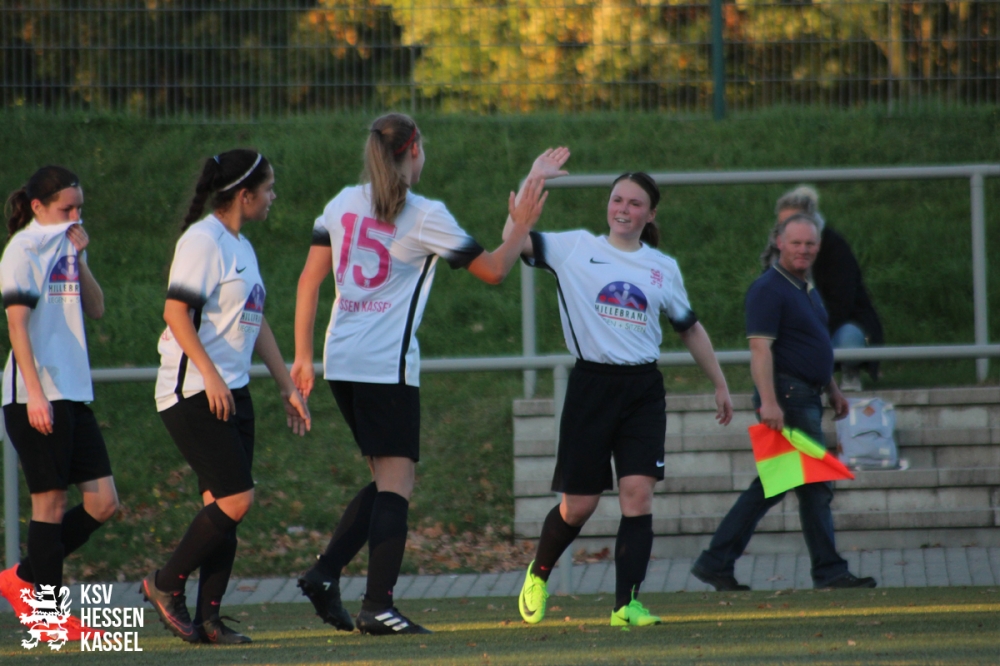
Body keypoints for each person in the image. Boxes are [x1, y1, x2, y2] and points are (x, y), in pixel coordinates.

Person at [291, 112, 549, 636]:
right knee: (397, 486)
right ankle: (377, 606)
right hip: (385, 364)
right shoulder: (424, 214)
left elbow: (308, 280)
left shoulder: (342, 202)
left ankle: (325, 574)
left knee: (388, 479)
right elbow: (495, 270)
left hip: (341, 361)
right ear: (413, 150)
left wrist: (302, 356)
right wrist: (521, 223)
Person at [510, 156, 735, 628]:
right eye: (617, 200)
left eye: (635, 204)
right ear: (608, 205)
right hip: (591, 387)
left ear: (650, 214)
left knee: (638, 496)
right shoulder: (575, 248)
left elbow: (689, 327)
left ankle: (625, 605)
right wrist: (534, 178)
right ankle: (538, 573)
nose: (624, 209)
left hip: (642, 391)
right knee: (580, 506)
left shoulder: (662, 268)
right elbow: (517, 236)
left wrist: (720, 383)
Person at [142, 149, 311, 645]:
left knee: (222, 507)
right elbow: (175, 313)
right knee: (236, 499)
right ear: (245, 195)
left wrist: (286, 387)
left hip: (231, 392)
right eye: (269, 188)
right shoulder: (202, 240)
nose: (274, 196)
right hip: (193, 391)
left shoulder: (242, 246)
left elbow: (255, 322)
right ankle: (164, 583)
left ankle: (210, 620)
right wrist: (211, 376)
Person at [691, 211, 877, 591]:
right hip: (788, 398)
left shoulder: (805, 289)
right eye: (796, 243)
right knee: (806, 486)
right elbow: (760, 349)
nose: (803, 250)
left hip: (806, 395)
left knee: (781, 486)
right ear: (779, 243)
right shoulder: (768, 289)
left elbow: (813, 345)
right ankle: (828, 571)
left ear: (818, 247)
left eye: (810, 243)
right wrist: (770, 402)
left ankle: (717, 562)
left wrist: (833, 389)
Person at [0, 166, 119, 643]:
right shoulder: (23, 249)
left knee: (103, 502)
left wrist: (81, 257)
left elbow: (97, 308)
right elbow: (17, 325)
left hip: (72, 391)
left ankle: (22, 577)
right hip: (35, 394)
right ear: (37, 207)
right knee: (49, 502)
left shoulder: (67, 246)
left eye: (79, 208)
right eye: (66, 208)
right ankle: (47, 616)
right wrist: (35, 394)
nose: (75, 216)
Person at [761, 186, 883, 391]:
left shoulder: (834, 247)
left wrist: (810, 332)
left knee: (848, 338)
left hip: (838, 323)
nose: (784, 229)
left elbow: (842, 304)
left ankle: (849, 371)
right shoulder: (776, 251)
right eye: (781, 224)